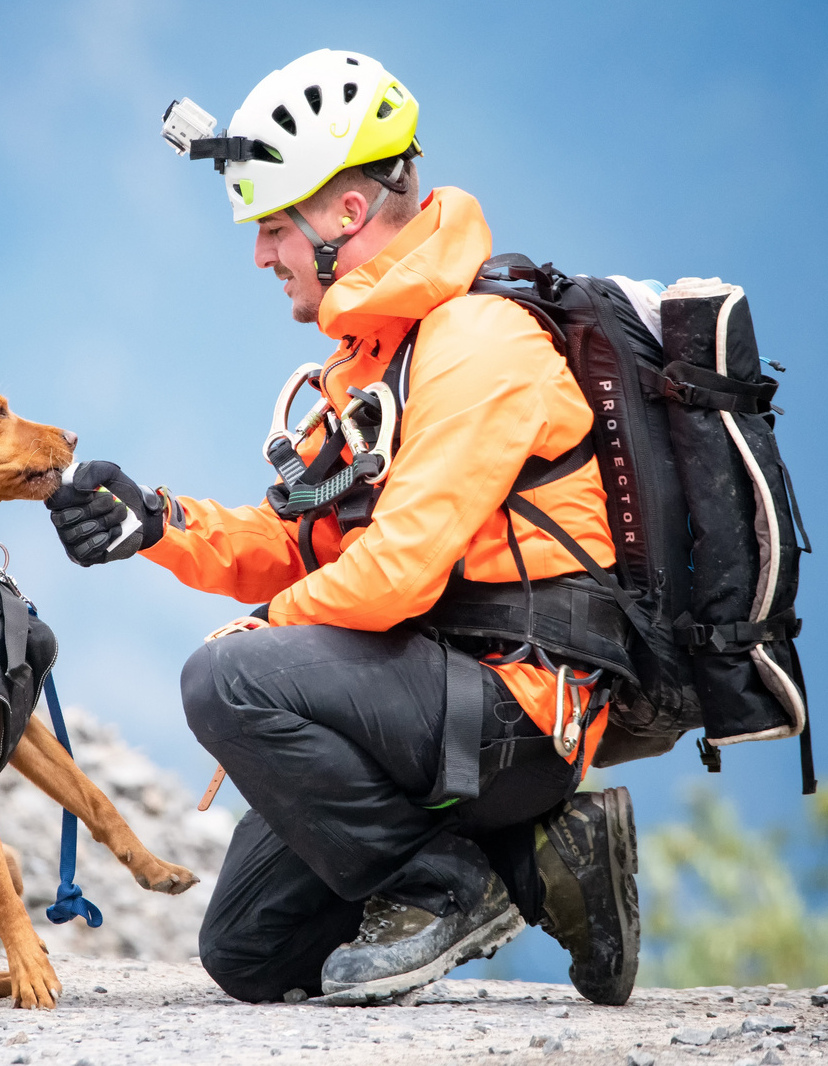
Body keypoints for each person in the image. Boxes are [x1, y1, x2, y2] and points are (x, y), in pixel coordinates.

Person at [44, 49, 639, 1006]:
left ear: (346, 216)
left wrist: (260, 641)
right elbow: (305, 547)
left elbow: (396, 572)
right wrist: (158, 523)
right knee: (248, 951)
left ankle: (440, 886)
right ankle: (542, 857)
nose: (260, 256)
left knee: (226, 675)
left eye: (274, 227)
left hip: (518, 709)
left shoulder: (477, 344)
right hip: (419, 702)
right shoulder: (369, 362)